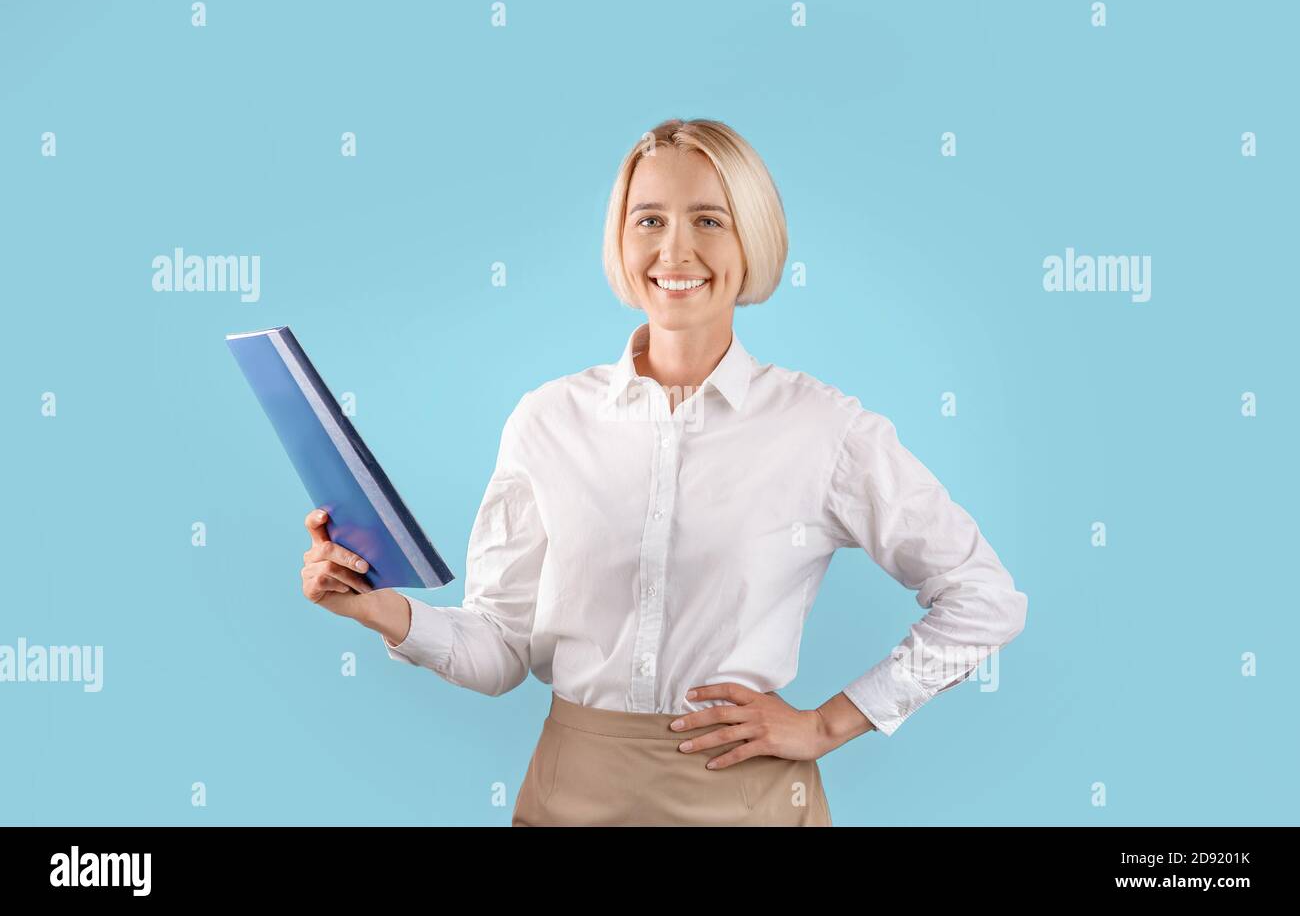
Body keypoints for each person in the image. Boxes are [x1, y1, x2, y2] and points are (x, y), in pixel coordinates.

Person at [298, 117, 1029, 826]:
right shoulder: (546, 420)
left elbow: (984, 599)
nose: (675, 251)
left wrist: (827, 725)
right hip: (569, 797)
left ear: (754, 241)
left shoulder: (824, 429)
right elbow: (500, 649)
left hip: (748, 805)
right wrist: (376, 609)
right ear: (621, 239)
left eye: (709, 220)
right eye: (649, 220)